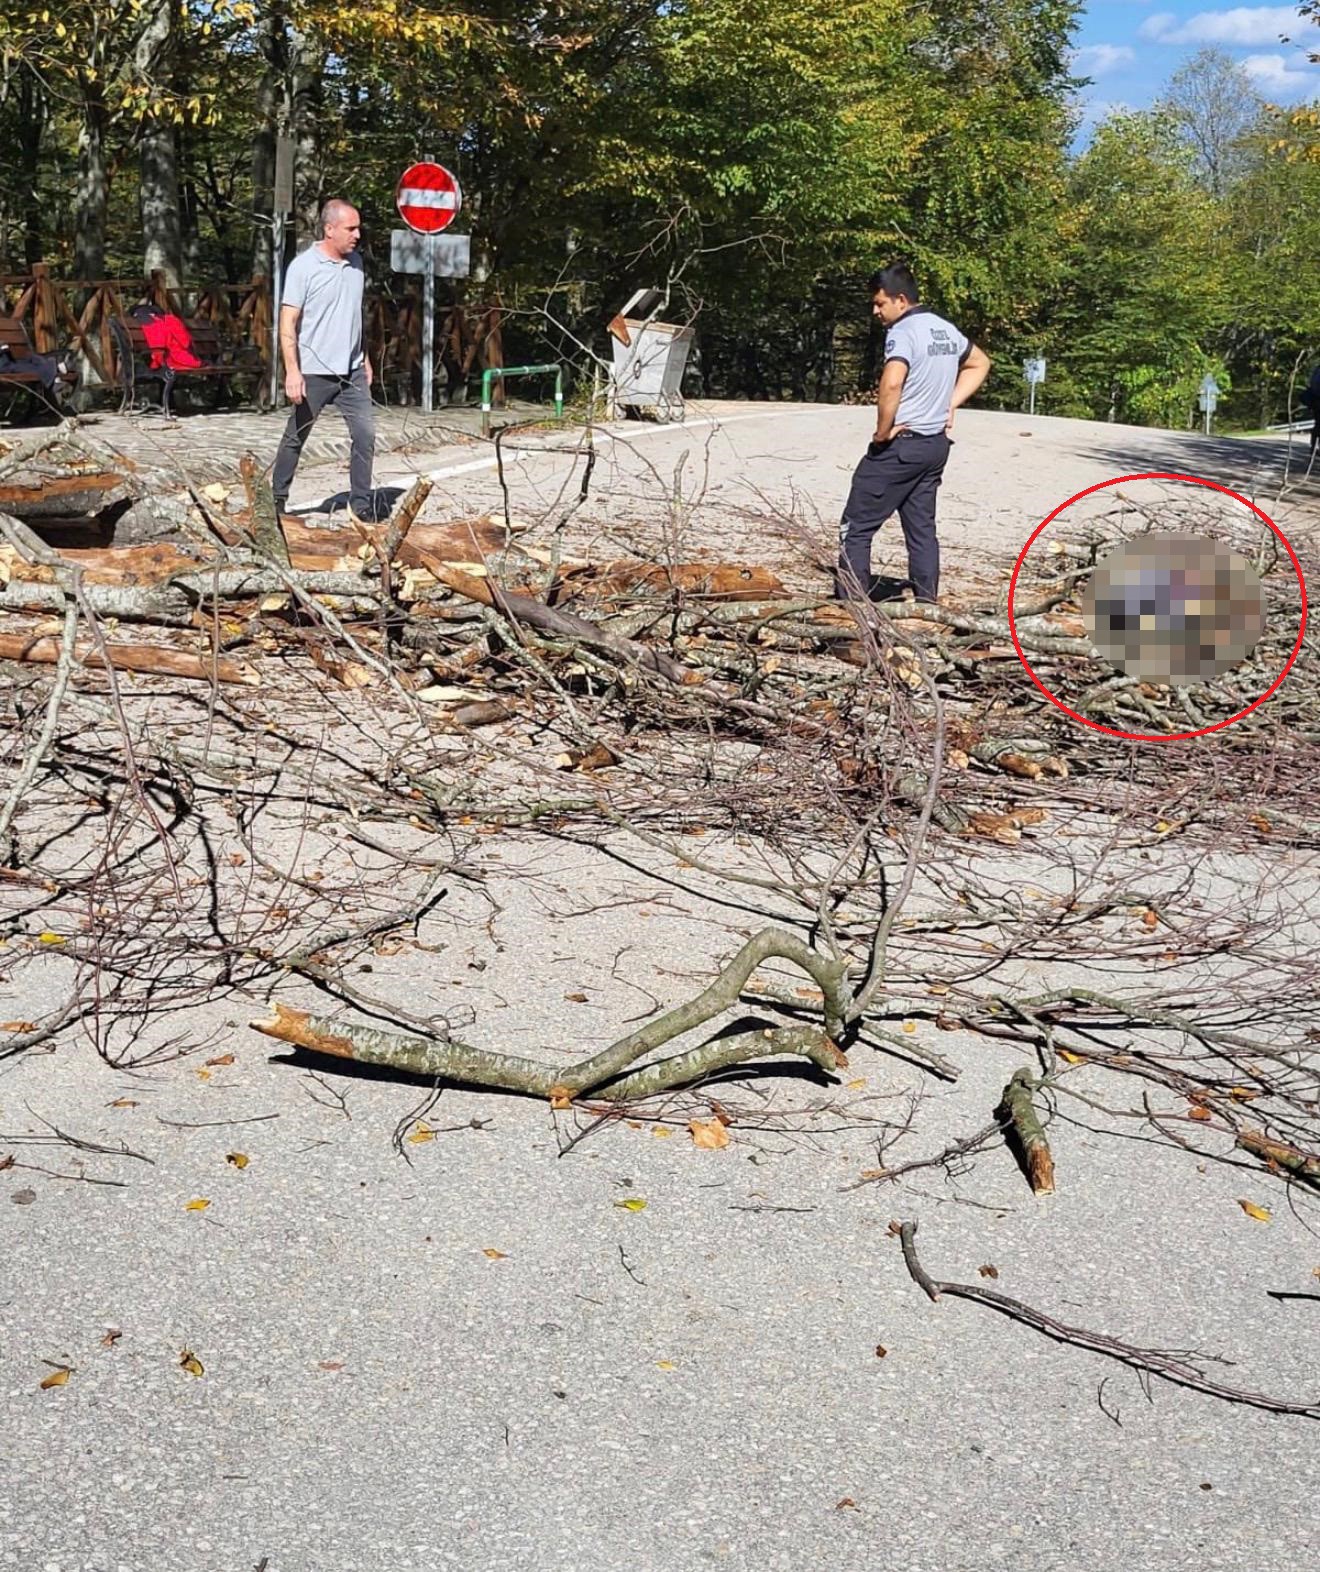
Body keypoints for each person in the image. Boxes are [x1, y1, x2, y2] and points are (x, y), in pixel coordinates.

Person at [835, 264, 991, 606]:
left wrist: (881, 433)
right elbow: (980, 362)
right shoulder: (945, 330)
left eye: (880, 303)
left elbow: (892, 382)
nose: (875, 311)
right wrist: (951, 402)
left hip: (900, 447)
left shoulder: (903, 332)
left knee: (855, 527)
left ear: (901, 300)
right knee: (921, 531)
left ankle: (851, 605)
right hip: (934, 446)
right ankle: (927, 606)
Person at [271, 198, 377, 521]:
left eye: (358, 227)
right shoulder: (303, 267)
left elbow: (354, 314)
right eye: (351, 228)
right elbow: (287, 321)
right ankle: (275, 502)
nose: (357, 234)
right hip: (314, 370)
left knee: (365, 434)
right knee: (296, 435)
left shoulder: (356, 264)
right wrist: (293, 370)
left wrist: (365, 357)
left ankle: (360, 505)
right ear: (329, 229)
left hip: (352, 371)